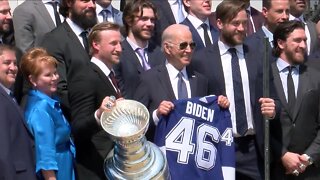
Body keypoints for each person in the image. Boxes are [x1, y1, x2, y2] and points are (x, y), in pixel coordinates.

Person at [190, 1, 278, 179]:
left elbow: (275, 98)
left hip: (254, 148)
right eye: (235, 23)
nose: (241, 28)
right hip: (218, 146)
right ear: (220, 23)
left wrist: (273, 109)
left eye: (244, 23)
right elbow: (196, 105)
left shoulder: (259, 55)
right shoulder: (201, 60)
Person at [134, 24, 229, 140]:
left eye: (192, 45)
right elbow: (136, 123)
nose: (189, 50)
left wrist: (220, 105)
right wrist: (157, 115)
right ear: (168, 48)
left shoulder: (201, 80)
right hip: (162, 151)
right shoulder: (149, 79)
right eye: (183, 45)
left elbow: (209, 117)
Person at [69, 22, 122, 180]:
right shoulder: (85, 75)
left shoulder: (110, 75)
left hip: (112, 167)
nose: (119, 49)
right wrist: (99, 114)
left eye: (120, 43)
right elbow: (78, 128)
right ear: (96, 45)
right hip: (94, 169)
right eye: (113, 43)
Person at [270, 20, 320, 179]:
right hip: (276, 168)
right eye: (297, 40)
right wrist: (282, 154)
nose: (304, 45)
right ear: (281, 43)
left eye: (305, 40)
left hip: (309, 169)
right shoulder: (264, 76)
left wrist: (308, 157)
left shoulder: (315, 76)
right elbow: (259, 124)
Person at [20, 48, 76, 180]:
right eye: (48, 75)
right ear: (33, 80)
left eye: (55, 73)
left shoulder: (51, 100)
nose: (55, 78)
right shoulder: (41, 110)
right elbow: (45, 156)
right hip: (57, 171)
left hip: (66, 164)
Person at [40, 0, 97, 119]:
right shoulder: (54, 40)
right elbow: (59, 89)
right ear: (69, 3)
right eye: (85, 1)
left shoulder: (93, 37)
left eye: (94, 1)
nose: (92, 5)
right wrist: (89, 117)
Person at [114, 0, 165, 99]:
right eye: (144, 18)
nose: (150, 24)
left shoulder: (160, 53)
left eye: (152, 20)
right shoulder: (118, 53)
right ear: (129, 20)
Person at [0, 45, 36, 180]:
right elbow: (3, 150)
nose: (13, 68)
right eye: (6, 63)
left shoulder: (9, 95)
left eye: (15, 63)